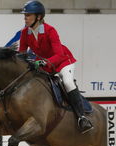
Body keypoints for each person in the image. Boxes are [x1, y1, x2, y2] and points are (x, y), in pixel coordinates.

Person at [18, 0, 93, 133]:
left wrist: (43, 62)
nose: (25, 18)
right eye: (25, 15)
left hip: (63, 62)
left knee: (68, 83)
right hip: (44, 65)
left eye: (28, 15)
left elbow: (58, 54)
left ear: (39, 17)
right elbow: (22, 53)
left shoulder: (50, 30)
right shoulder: (25, 33)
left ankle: (82, 118)